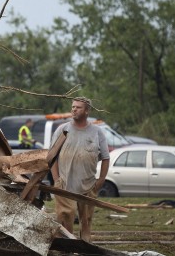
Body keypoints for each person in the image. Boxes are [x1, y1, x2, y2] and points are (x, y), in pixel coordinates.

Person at [50, 97, 110, 242]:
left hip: (88, 185)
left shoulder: (97, 132)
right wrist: (57, 179)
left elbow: (106, 158)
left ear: (87, 111)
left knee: (86, 220)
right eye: (73, 107)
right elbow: (51, 157)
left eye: (78, 107)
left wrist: (101, 180)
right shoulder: (63, 130)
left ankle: (84, 247)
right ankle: (68, 248)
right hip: (64, 185)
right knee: (65, 218)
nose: (74, 109)